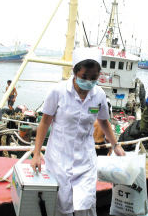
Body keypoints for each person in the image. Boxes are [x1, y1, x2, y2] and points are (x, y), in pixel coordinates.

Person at [30, 48, 125, 216]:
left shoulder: (99, 95)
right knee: (62, 206)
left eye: (93, 78)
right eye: (84, 77)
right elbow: (45, 122)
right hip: (59, 158)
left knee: (86, 205)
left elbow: (103, 121)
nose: (88, 81)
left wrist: (115, 145)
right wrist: (36, 154)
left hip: (86, 160)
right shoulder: (58, 92)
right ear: (74, 72)